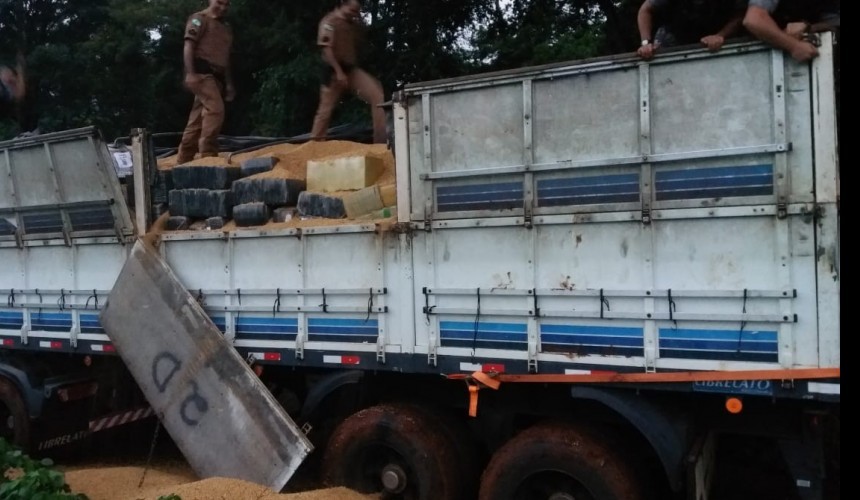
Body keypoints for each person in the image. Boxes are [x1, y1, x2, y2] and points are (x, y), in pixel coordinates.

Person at [311, 0, 386, 144]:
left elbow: (363, 37)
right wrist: (338, 72)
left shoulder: (352, 24)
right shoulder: (329, 22)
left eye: (356, 11)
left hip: (350, 70)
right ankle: (314, 145)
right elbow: (326, 50)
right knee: (325, 112)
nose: (354, 13)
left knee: (377, 94)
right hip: (333, 70)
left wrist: (359, 21)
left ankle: (381, 141)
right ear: (342, 4)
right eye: (351, 10)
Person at [176, 0, 235, 164]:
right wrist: (191, 73)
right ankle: (208, 154)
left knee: (196, 122)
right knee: (216, 111)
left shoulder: (226, 27)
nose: (223, 7)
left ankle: (183, 159)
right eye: (219, 2)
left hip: (217, 77)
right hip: (202, 73)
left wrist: (229, 84)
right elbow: (189, 46)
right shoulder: (198, 19)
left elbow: (226, 58)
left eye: (227, 4)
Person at [637, 0, 747, 60]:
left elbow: (741, 14)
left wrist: (721, 35)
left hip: (718, 36)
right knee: (653, 54)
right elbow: (645, 10)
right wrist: (646, 43)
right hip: (675, 35)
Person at [743, 0, 840, 62]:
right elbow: (754, 20)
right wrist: (793, 46)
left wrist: (809, 27)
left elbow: (833, 23)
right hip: (761, 61)